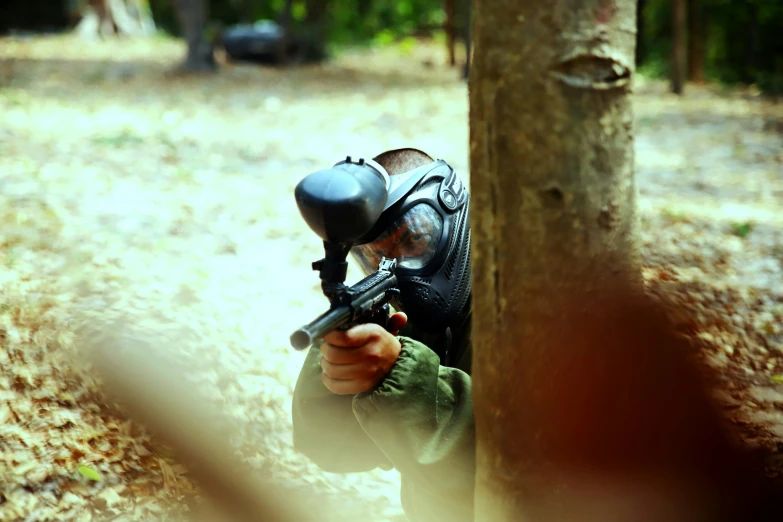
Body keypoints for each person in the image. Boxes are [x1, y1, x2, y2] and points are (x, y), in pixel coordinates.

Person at [291, 148, 476, 522]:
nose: (395, 266)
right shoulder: (409, 319)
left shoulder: (533, 306)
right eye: (374, 257)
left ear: (452, 217)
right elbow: (335, 448)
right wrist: (341, 367)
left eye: (414, 240)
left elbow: (519, 464)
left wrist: (400, 375)